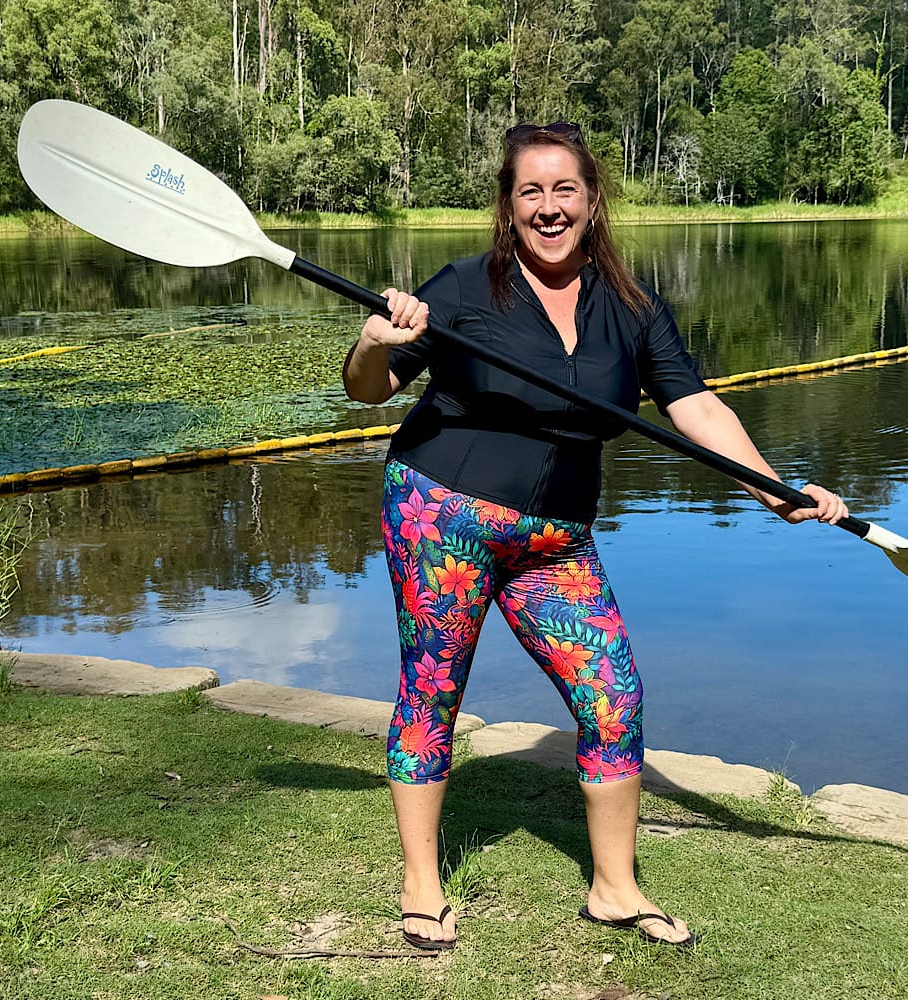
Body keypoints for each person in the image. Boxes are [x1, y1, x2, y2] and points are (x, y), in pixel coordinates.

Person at [342, 121, 848, 951]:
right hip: (442, 518)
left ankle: (615, 890)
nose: (548, 208)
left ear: (593, 199)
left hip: (557, 543)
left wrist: (772, 488)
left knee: (614, 700)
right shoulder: (464, 289)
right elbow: (369, 391)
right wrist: (373, 341)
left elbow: (695, 407)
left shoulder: (635, 310)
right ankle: (419, 885)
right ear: (508, 207)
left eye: (563, 190)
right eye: (529, 191)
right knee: (434, 690)